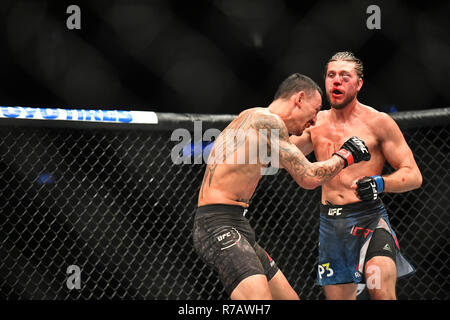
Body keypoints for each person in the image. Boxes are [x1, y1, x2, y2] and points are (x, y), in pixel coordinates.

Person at [192, 73, 371, 300]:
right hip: (218, 225)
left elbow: (287, 156)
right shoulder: (268, 122)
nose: (314, 120)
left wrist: (319, 132)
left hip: (236, 224)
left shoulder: (253, 118)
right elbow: (308, 177)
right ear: (299, 99)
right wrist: (346, 155)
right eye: (315, 111)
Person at [290, 52, 422, 300]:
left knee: (380, 288)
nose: (336, 81)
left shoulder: (378, 123)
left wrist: (380, 183)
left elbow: (413, 175)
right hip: (331, 225)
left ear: (359, 84)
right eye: (331, 75)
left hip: (370, 219)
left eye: (344, 76)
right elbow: (283, 153)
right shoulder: (315, 122)